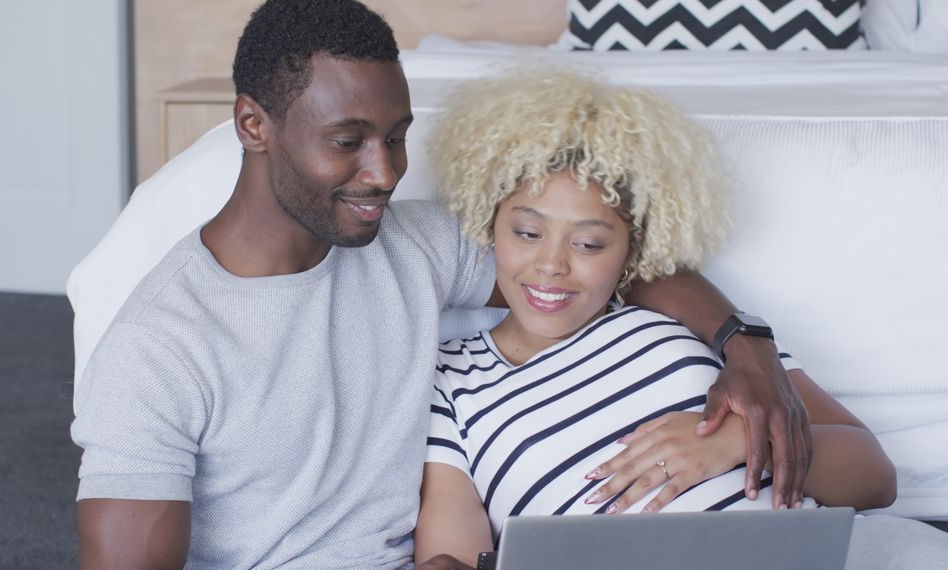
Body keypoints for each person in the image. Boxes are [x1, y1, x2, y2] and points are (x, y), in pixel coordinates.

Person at [71, 1, 811, 568]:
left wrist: (744, 346)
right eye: (348, 141)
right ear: (253, 125)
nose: (386, 172)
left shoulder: (407, 242)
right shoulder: (155, 348)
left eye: (395, 137)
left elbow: (597, 261)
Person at [414, 70, 897, 566]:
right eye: (526, 232)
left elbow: (877, 478)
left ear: (632, 249)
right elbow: (452, 553)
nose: (552, 265)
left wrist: (741, 442)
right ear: (489, 225)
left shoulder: (683, 322)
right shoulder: (449, 382)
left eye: (589, 244)